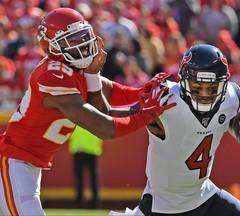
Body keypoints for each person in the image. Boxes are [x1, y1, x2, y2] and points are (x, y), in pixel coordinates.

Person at [0, 8, 176, 216]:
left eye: (82, 36)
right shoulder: (52, 75)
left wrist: (141, 93)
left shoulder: (72, 69)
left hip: (27, 165)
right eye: (72, 40)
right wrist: (145, 115)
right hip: (14, 162)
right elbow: (104, 127)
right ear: (53, 46)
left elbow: (110, 91)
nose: (82, 43)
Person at [109, 44, 240, 216]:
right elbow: (116, 116)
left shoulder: (231, 98)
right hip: (162, 205)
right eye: (197, 87)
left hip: (202, 195)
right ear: (183, 82)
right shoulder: (165, 97)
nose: (205, 94)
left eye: (212, 88)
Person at [69, 126, 103, 209]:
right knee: (94, 178)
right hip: (92, 149)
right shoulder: (96, 117)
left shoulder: (77, 115)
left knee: (79, 178)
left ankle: (79, 203)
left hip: (79, 149)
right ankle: (95, 203)